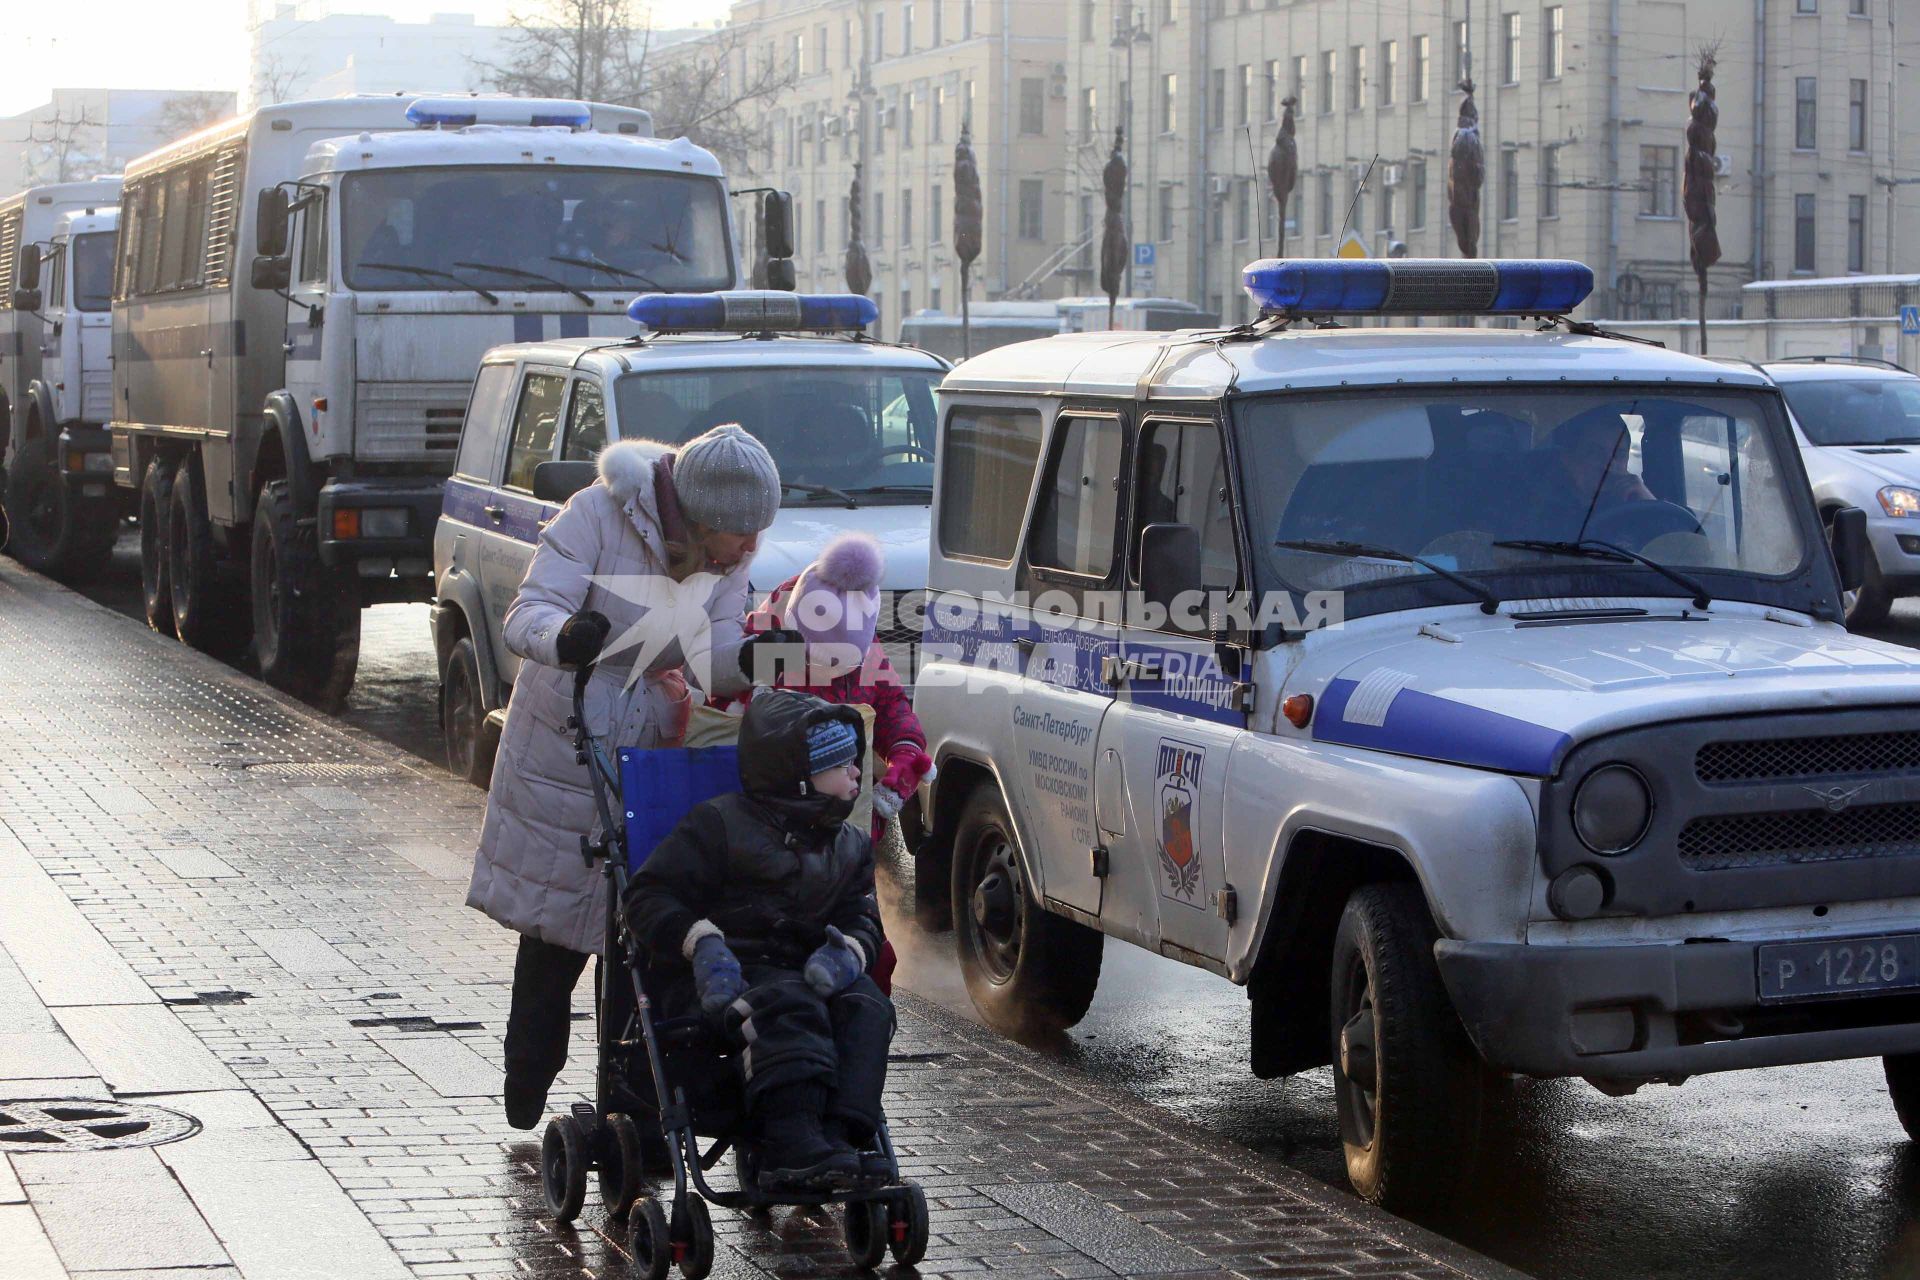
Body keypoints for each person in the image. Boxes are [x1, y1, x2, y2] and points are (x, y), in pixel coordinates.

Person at [467, 423, 801, 1130]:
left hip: (650, 739)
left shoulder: (726, 556)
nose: (751, 550)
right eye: (742, 534)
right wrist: (566, 637)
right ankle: (528, 1076)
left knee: (643, 930)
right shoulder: (596, 512)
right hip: (567, 731)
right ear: (705, 514)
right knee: (555, 931)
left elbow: (713, 659)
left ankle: (632, 1110)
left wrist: (756, 658)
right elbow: (526, 612)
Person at [624, 690, 896, 1192]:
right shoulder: (719, 825)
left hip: (808, 967)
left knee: (867, 1006)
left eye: (854, 764)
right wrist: (701, 943)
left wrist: (849, 951)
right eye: (841, 766)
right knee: (786, 1003)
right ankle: (789, 1140)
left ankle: (838, 1136)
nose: (857, 775)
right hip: (725, 974)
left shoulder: (850, 844)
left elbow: (862, 916)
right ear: (798, 775)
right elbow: (647, 896)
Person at [732, 531, 935, 851]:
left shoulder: (868, 651)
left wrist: (905, 752)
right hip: (772, 810)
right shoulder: (768, 642)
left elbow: (892, 705)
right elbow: (729, 702)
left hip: (847, 813)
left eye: (841, 664)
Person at [1522, 407, 1656, 541]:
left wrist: (1649, 506)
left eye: (1619, 454)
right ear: (1568, 459)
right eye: (1595, 453)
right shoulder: (1536, 504)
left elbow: (1670, 551)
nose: (1609, 463)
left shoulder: (1633, 504)